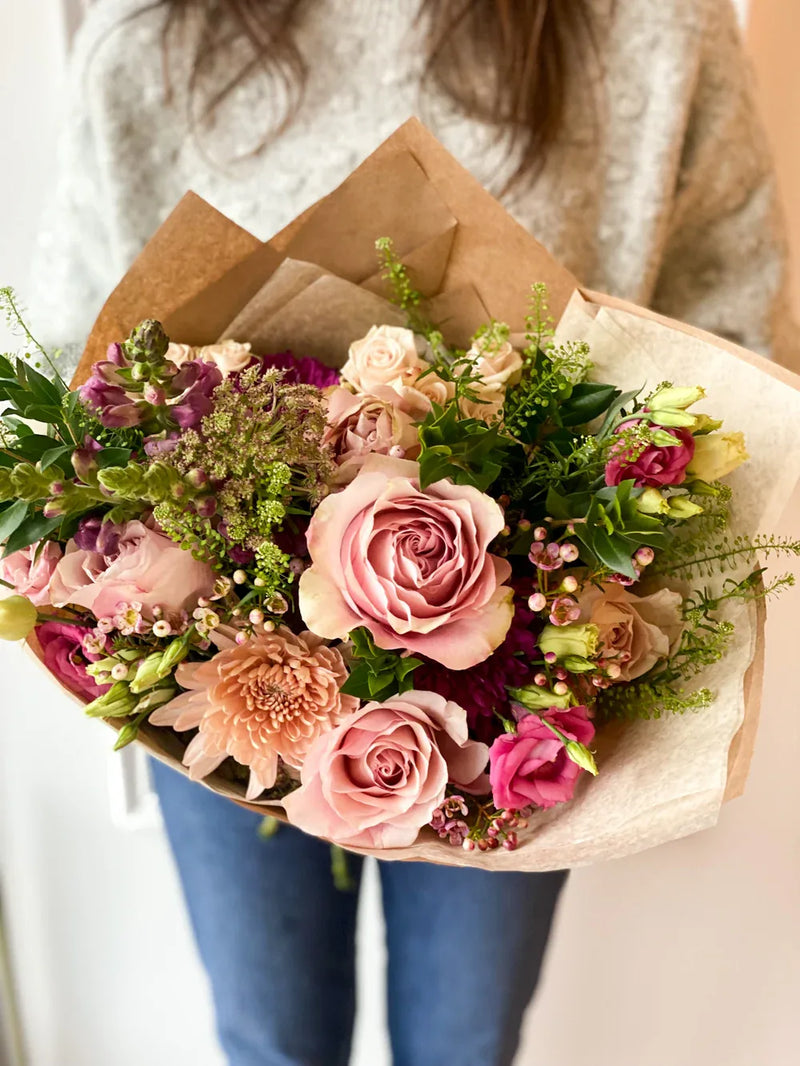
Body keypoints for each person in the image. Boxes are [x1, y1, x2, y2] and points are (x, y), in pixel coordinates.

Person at [29, 2, 796, 1064]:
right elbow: (78, 353)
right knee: (271, 1039)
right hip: (213, 664)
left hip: (521, 680)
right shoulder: (152, 33)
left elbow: (732, 324)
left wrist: (600, 530)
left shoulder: (650, 28)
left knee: (466, 1039)